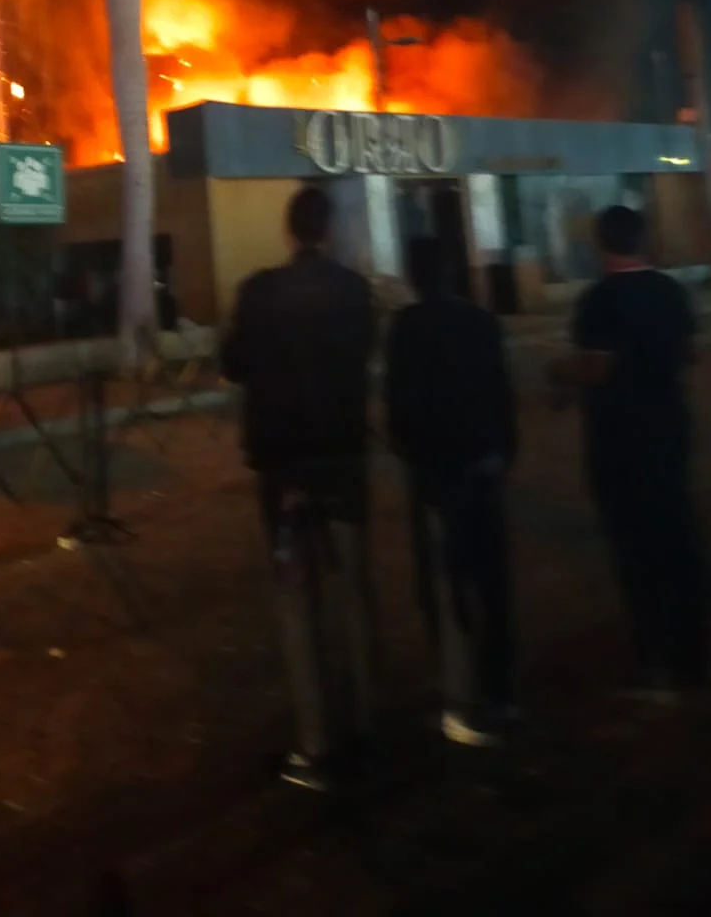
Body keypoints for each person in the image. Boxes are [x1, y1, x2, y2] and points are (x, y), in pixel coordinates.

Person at [221, 185, 376, 792]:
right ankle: (367, 721)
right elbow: (365, 353)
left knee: (295, 599)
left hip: (284, 470)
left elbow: (233, 364)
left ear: (290, 232)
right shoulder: (354, 290)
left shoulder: (258, 293)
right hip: (342, 460)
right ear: (328, 231)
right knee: (354, 590)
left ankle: (315, 742)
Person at [562, 203, 706, 698]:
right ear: (641, 240)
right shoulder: (670, 290)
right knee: (677, 539)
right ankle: (691, 655)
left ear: (600, 244)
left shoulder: (598, 300)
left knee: (634, 552)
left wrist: (561, 372)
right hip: (669, 431)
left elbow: (597, 367)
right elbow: (689, 353)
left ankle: (654, 662)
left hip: (619, 440)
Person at [384, 236, 517, 747]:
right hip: (483, 465)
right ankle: (502, 690)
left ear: (414, 278)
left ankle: (462, 695)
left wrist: (411, 452)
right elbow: (502, 394)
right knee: (492, 580)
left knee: (446, 583)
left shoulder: (407, 327)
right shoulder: (481, 321)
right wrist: (503, 452)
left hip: (437, 473)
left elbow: (399, 405)